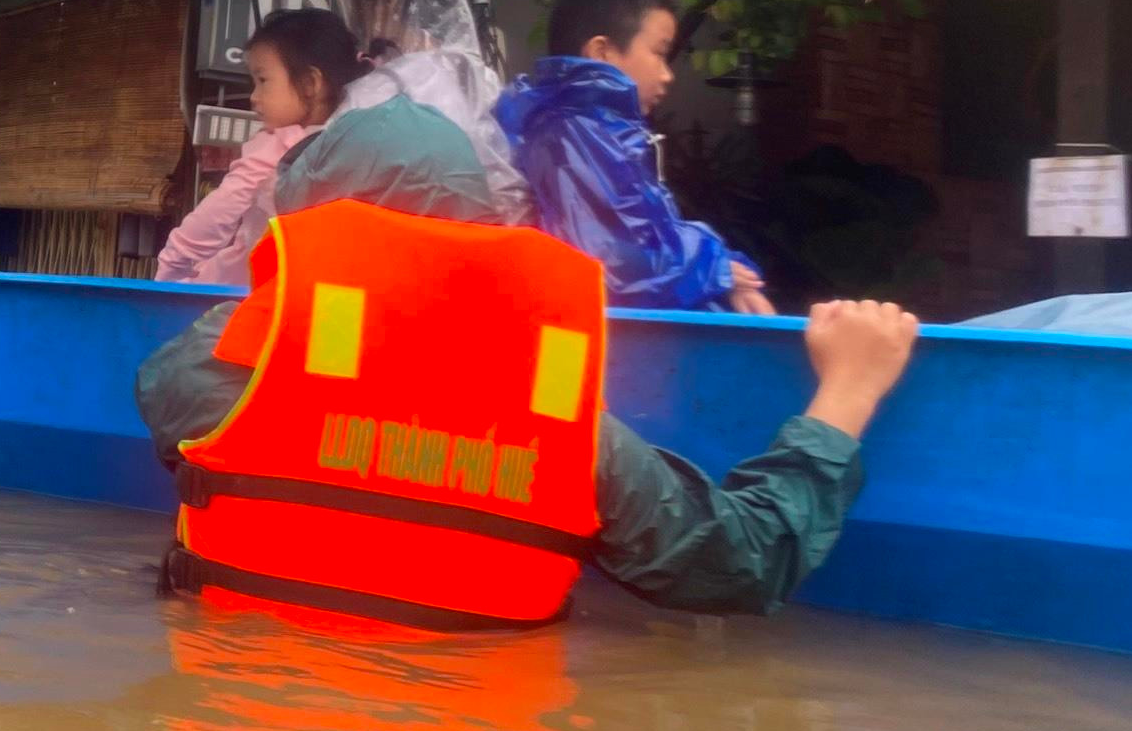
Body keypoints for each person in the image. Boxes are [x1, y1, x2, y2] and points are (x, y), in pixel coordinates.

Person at [138, 95, 918, 624]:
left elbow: (160, 393)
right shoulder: (561, 420)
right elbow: (743, 561)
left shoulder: (225, 360)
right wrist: (846, 393)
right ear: (480, 230)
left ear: (314, 220)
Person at [496, 0, 775, 315]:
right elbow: (610, 266)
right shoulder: (568, 134)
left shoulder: (600, 130)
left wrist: (723, 266)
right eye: (659, 53)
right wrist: (713, 268)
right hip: (590, 355)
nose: (667, 75)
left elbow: (654, 239)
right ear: (602, 53)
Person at [158, 9, 371, 289]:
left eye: (263, 80)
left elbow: (219, 211)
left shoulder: (276, 147)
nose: (254, 97)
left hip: (232, 294)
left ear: (310, 83)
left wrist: (172, 266)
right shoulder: (356, 141)